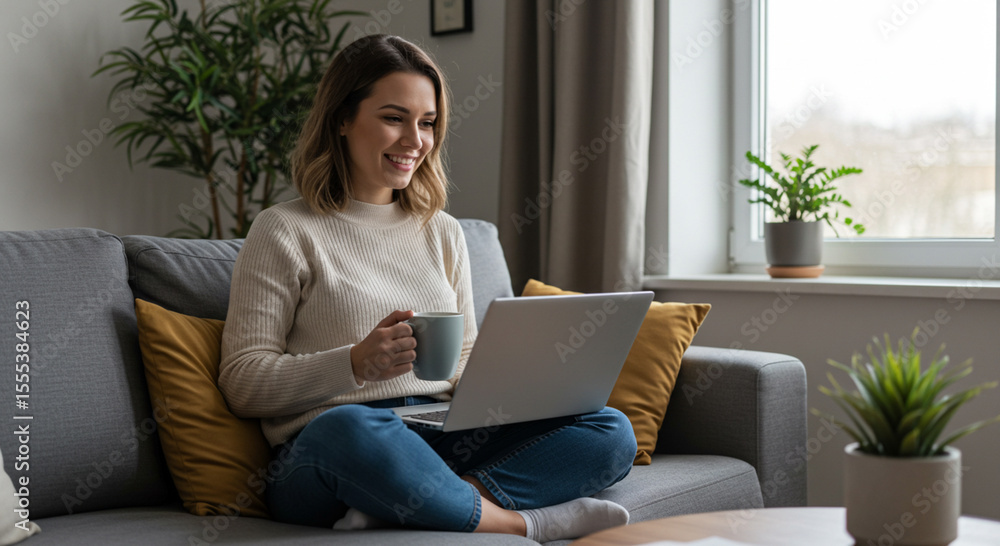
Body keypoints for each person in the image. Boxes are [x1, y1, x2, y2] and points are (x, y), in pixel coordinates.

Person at [218, 34, 636, 542]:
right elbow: (242, 382)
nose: (416, 140)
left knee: (608, 428)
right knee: (349, 427)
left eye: (428, 122)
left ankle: (419, 501)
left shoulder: (442, 230)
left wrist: (519, 390)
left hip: (441, 433)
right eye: (394, 118)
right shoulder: (284, 230)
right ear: (342, 119)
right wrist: (353, 363)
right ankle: (517, 522)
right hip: (333, 449)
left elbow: (462, 362)